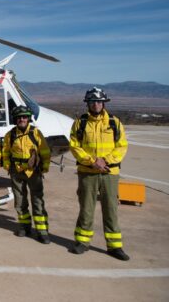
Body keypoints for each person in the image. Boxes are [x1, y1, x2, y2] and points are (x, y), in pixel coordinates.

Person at [69, 87, 130, 261]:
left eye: (98, 101)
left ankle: (114, 246)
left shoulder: (114, 122)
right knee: (86, 209)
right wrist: (92, 161)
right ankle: (82, 242)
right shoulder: (80, 123)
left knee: (110, 209)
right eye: (92, 101)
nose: (96, 104)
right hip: (87, 172)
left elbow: (122, 146)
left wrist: (106, 160)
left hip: (110, 173)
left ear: (103, 103)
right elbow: (74, 146)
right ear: (87, 103)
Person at [2, 105, 51, 243]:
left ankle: (42, 230)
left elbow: (45, 151)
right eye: (19, 117)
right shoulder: (10, 135)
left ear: (28, 118)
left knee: (38, 201)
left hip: (33, 172)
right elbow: (5, 152)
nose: (22, 119)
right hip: (17, 171)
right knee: (20, 201)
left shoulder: (36, 133)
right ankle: (24, 226)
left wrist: (45, 166)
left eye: (24, 117)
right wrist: (7, 165)